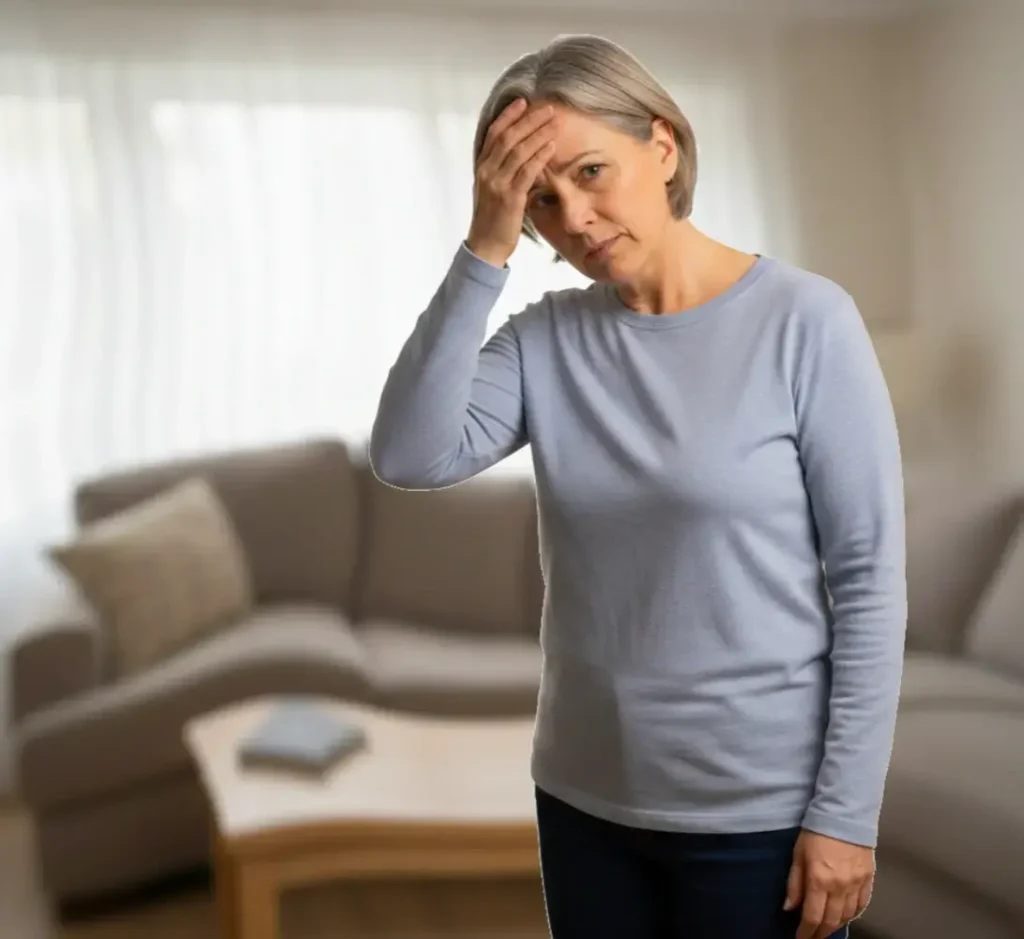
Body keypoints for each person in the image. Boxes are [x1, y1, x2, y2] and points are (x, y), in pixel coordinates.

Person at [369, 32, 906, 939]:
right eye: (540, 197)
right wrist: (484, 247)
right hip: (584, 799)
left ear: (663, 146)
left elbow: (869, 579)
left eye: (589, 170)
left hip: (757, 813)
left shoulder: (806, 323)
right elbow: (411, 452)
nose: (572, 217)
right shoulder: (546, 340)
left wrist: (845, 814)